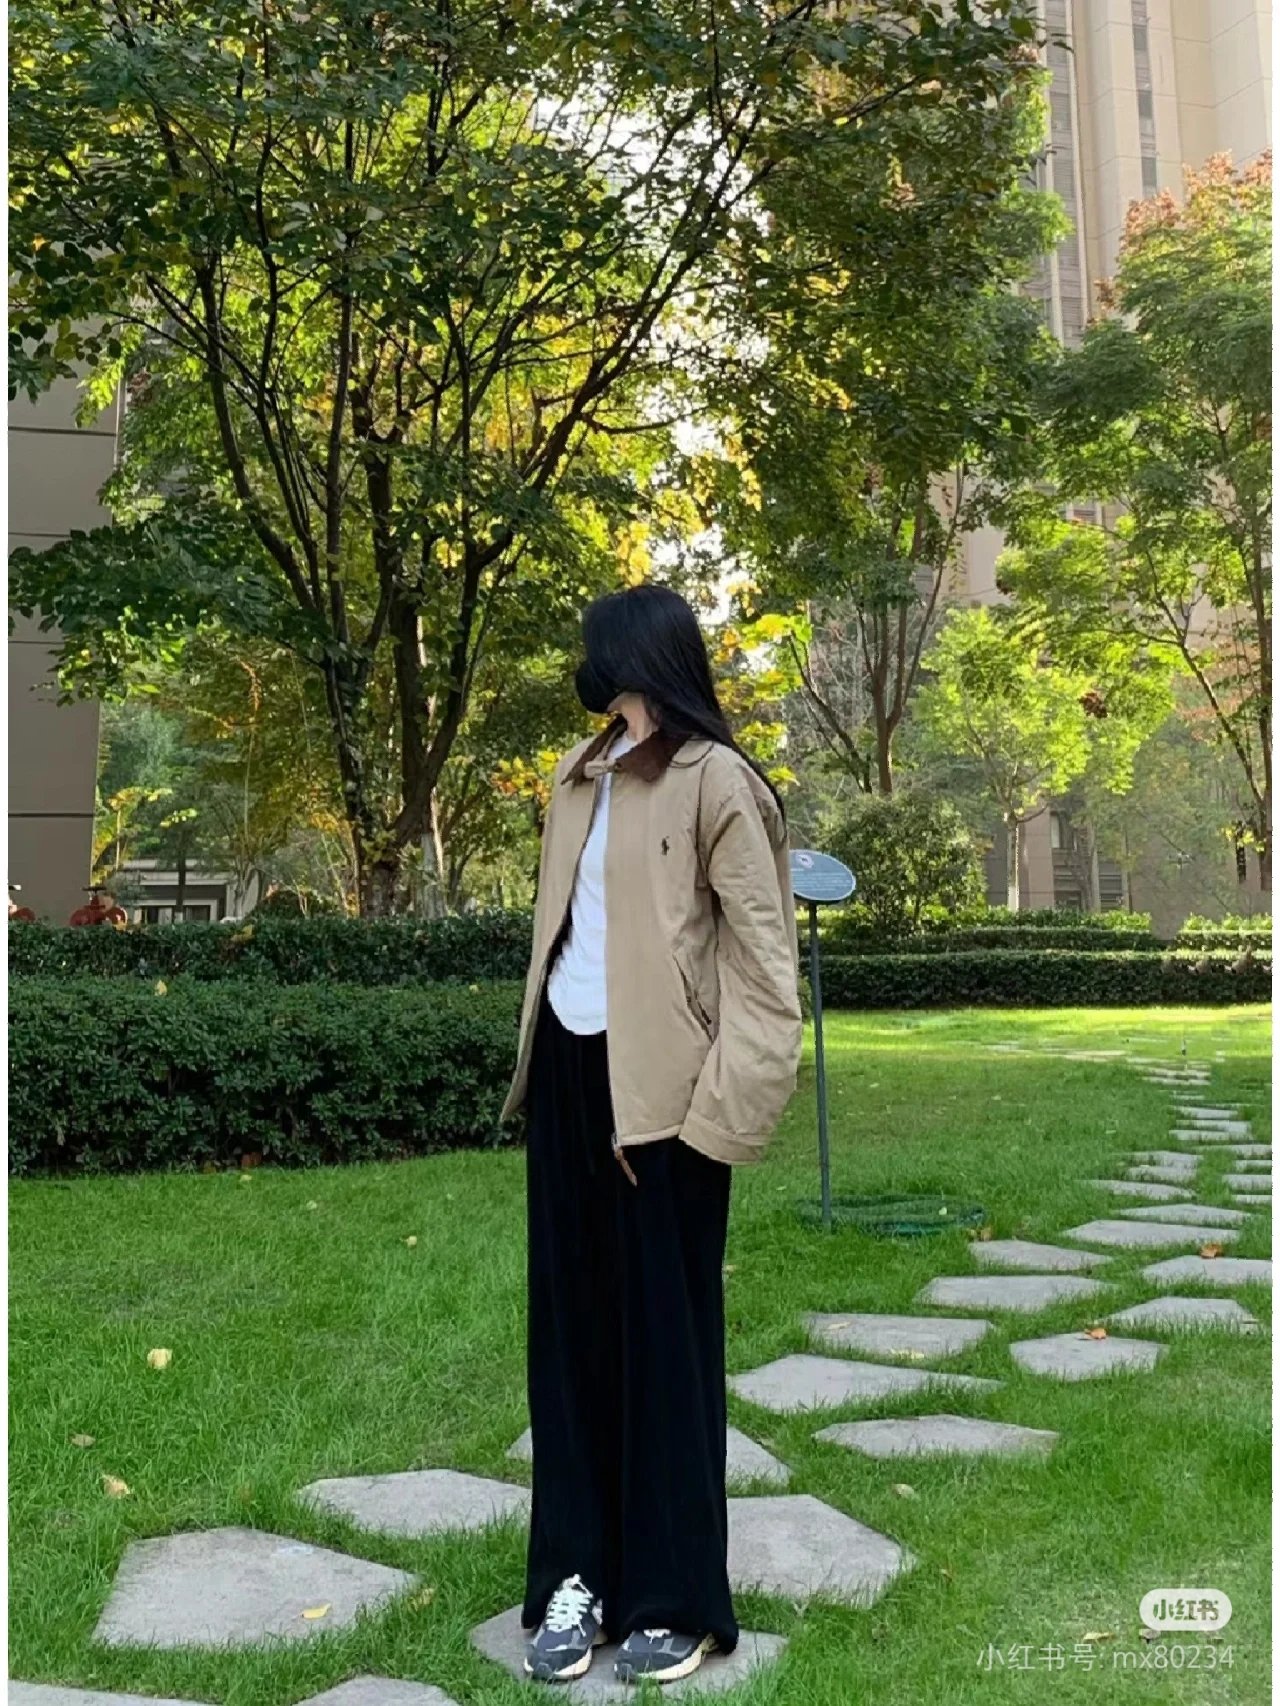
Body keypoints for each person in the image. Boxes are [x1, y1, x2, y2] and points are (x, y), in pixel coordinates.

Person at [499, 583, 803, 1686]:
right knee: (570, 1341)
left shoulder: (717, 781)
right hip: (572, 1080)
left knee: (666, 1349)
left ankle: (673, 1596)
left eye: (595, 648)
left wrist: (720, 1117)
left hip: (670, 1103)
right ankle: (574, 1580)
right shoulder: (578, 775)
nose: (583, 665)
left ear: (636, 655)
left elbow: (764, 970)